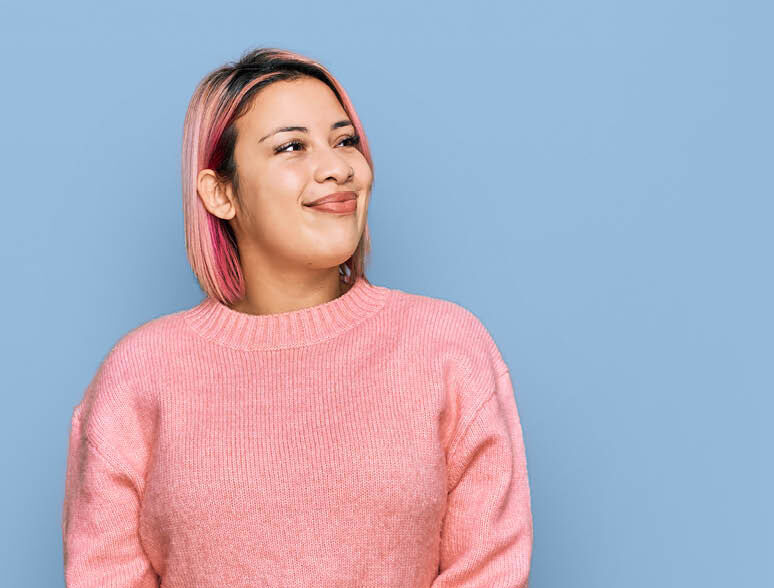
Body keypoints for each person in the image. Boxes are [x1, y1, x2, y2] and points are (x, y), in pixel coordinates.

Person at [61, 47, 533, 587]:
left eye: (344, 141)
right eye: (292, 146)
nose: (337, 168)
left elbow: (490, 569)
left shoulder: (447, 346)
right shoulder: (139, 372)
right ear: (220, 193)